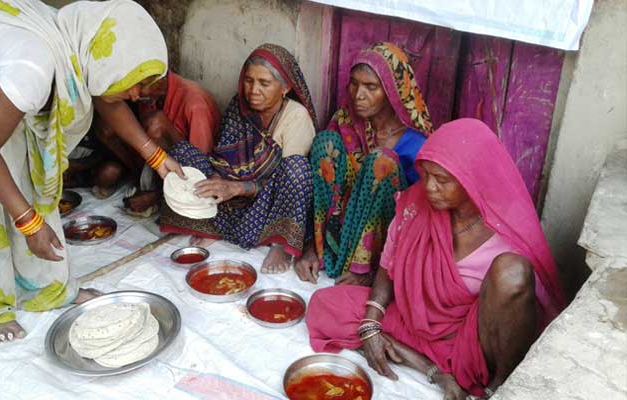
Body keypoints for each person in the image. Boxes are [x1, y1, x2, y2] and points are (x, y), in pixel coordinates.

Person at [0, 0, 184, 343]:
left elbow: (106, 93)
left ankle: (44, 288)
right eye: (134, 83)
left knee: (26, 172)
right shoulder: (32, 67)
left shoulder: (79, 45)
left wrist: (155, 156)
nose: (137, 95)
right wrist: (29, 222)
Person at [306, 118, 566, 399]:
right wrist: (371, 324)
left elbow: (528, 312)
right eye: (426, 174)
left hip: (470, 340)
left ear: (472, 180)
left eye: (442, 180)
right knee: (324, 303)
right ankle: (418, 359)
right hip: (411, 322)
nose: (429, 187)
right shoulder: (416, 203)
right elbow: (387, 267)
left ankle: (499, 387)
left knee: (511, 272)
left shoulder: (507, 225)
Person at [160, 43, 317, 273]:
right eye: (249, 80)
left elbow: (288, 182)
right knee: (181, 154)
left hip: (267, 206)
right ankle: (208, 225)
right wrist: (216, 181)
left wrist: (238, 188)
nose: (253, 90)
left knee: (297, 168)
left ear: (284, 88)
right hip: (229, 195)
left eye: (264, 83)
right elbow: (222, 156)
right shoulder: (240, 105)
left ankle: (280, 244)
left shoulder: (296, 117)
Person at [296, 42, 434, 286]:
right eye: (354, 83)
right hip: (342, 230)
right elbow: (325, 187)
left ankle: (366, 269)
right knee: (325, 144)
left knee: (381, 162)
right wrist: (308, 246)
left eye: (371, 87)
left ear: (392, 90)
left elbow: (421, 213)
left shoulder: (416, 143)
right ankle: (320, 248)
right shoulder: (345, 121)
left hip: (388, 242)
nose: (358, 94)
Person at [66, 70, 221, 207]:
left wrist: (157, 196)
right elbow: (142, 144)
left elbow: (203, 170)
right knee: (108, 129)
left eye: (139, 88)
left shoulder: (195, 103)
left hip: (187, 175)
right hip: (157, 163)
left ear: (160, 80)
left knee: (156, 124)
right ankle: (139, 181)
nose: (133, 96)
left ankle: (157, 192)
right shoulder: (147, 95)